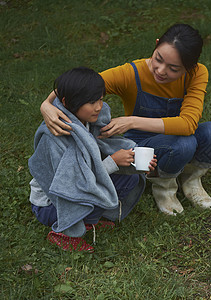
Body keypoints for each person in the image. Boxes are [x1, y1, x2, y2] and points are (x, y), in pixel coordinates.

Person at [40, 24, 211, 216]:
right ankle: (164, 187)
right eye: (158, 59)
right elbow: (78, 87)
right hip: (143, 144)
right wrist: (46, 104)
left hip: (178, 133)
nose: (161, 71)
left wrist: (130, 121)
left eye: (173, 68)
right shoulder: (132, 73)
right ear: (156, 45)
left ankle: (190, 181)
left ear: (190, 67)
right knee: (184, 143)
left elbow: (188, 124)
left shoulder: (198, 73)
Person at [29, 67, 157, 252]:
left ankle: (88, 220)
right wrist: (113, 161)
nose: (98, 107)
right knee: (90, 193)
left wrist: (133, 160)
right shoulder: (56, 135)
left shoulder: (89, 121)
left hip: (77, 183)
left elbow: (101, 153)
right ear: (67, 102)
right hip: (52, 204)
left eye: (101, 99)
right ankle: (63, 233)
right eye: (91, 102)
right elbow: (70, 184)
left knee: (130, 178)